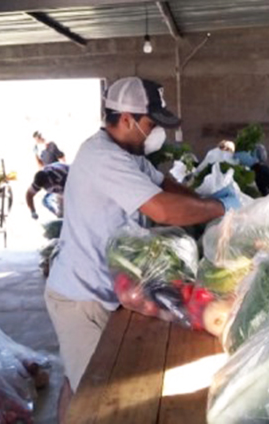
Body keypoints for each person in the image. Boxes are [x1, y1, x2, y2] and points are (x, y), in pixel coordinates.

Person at [43, 77, 240, 421]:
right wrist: (220, 210)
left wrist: (205, 200)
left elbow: (165, 184)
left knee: (81, 378)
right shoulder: (101, 156)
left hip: (106, 288)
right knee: (93, 393)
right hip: (80, 295)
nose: (154, 134)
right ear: (125, 118)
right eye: (151, 124)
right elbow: (162, 209)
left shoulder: (127, 153)